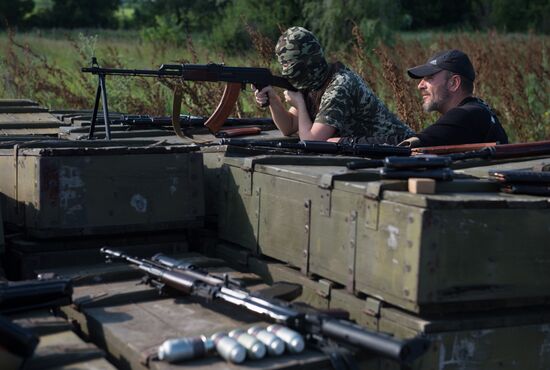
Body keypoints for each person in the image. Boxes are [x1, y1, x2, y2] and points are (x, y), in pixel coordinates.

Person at [254, 26, 414, 143]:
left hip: (403, 147)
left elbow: (312, 142)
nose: (287, 73)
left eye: (291, 66)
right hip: (371, 149)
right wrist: (273, 100)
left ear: (307, 63)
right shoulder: (313, 81)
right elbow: (289, 126)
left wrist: (300, 105)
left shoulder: (339, 86)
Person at [398, 49, 508, 148]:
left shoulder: (465, 115)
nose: (420, 85)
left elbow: (407, 146)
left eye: (430, 77)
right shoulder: (478, 111)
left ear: (454, 83)